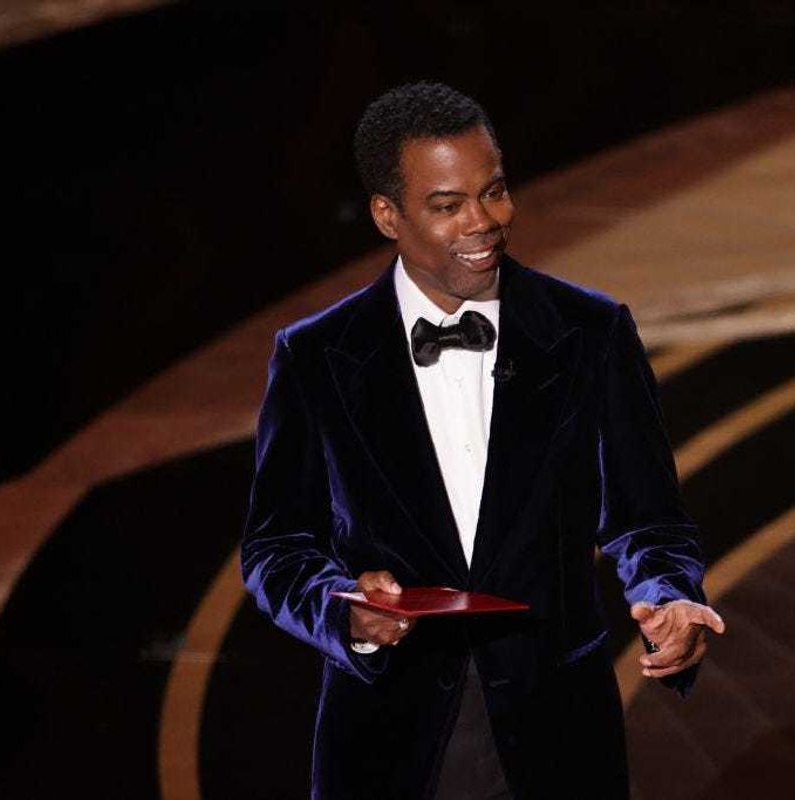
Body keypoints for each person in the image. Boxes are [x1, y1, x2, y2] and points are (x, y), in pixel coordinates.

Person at [241, 81, 725, 800]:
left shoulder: (590, 333)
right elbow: (276, 548)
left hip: (556, 737)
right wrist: (344, 610)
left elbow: (647, 516)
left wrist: (671, 595)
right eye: (447, 205)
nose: (485, 221)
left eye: (494, 192)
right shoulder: (316, 358)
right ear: (387, 214)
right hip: (385, 740)